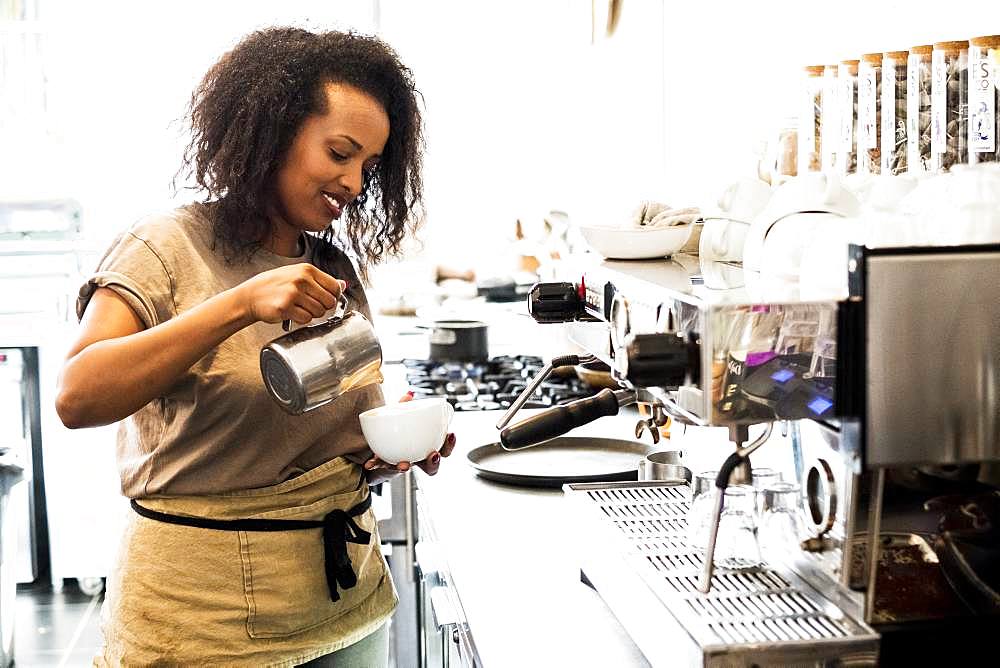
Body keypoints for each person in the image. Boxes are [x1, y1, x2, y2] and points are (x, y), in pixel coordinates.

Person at [55, 27, 452, 667]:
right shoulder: (166, 247)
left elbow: (316, 431)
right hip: (201, 623)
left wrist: (384, 450)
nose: (353, 181)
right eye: (340, 152)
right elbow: (77, 397)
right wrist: (239, 304)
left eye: (369, 166)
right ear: (272, 131)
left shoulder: (334, 269)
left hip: (342, 604)